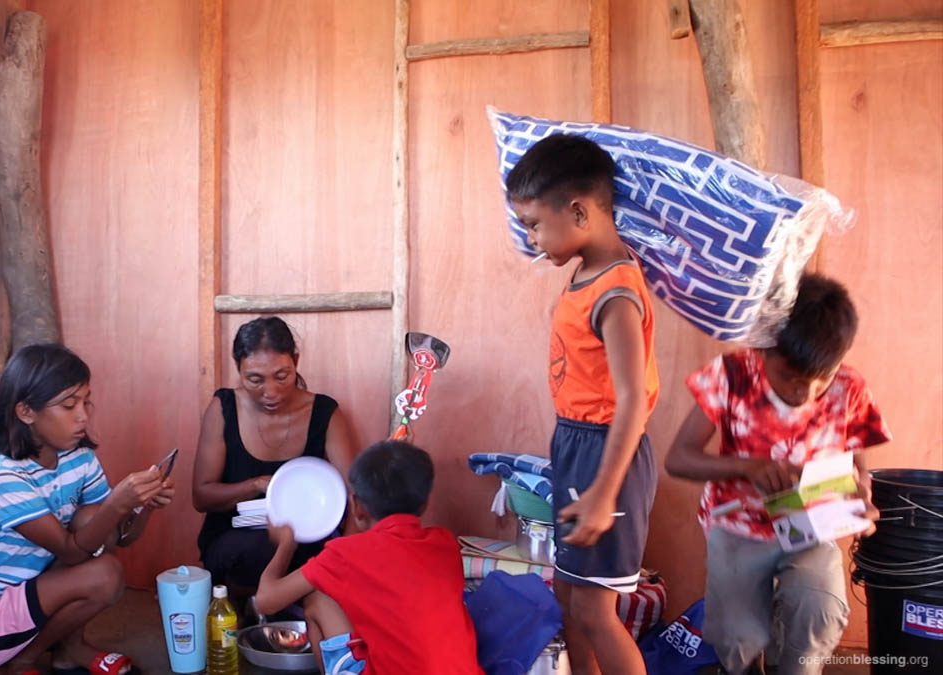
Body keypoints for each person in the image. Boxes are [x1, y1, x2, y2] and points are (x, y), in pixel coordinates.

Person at [665, 274, 888, 675]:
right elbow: (678, 459)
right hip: (738, 526)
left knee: (818, 608)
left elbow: (857, 456)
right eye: (790, 377)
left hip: (809, 525)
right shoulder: (732, 375)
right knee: (737, 637)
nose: (806, 393)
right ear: (764, 348)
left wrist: (863, 493)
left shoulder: (849, 385)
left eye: (821, 380)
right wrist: (746, 467)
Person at [505, 133, 660, 674]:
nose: (531, 239)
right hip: (577, 447)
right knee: (572, 603)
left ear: (577, 211)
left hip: (607, 458)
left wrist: (602, 493)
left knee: (596, 611)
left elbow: (633, 400)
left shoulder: (616, 293)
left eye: (533, 224)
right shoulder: (586, 272)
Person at [0, 344, 175, 675]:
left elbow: (117, 538)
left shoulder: (78, 459)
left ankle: (69, 651)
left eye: (86, 401)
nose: (83, 415)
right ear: (26, 412)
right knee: (104, 573)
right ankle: (21, 660)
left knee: (92, 524)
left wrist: (143, 506)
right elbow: (71, 553)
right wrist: (117, 503)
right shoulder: (2, 476)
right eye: (69, 405)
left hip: (35, 594)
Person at [254, 440, 482, 674]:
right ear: (425, 503)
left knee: (317, 601)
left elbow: (265, 600)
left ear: (356, 505)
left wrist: (286, 543)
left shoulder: (346, 554)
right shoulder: (445, 543)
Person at [193, 316, 355, 595]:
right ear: (238, 369)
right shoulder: (224, 408)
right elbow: (201, 496)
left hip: (308, 540)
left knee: (323, 558)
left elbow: (355, 496)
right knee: (255, 550)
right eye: (255, 379)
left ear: (296, 361)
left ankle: (275, 613)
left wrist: (348, 553)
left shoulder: (325, 412)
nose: (271, 392)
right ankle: (255, 611)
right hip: (236, 541)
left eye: (282, 376)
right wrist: (257, 485)